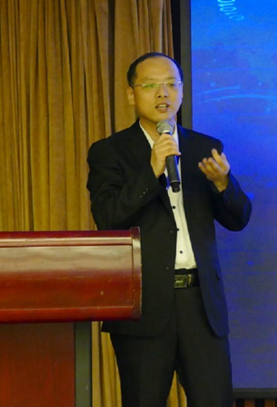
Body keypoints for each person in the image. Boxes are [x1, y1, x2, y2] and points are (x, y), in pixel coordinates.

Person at [86, 52, 252, 406]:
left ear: (182, 91)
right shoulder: (109, 152)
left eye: (171, 84)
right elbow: (108, 218)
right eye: (150, 85)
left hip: (201, 305)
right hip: (144, 305)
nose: (163, 93)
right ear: (131, 94)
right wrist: (151, 170)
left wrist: (224, 184)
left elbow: (238, 220)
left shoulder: (204, 147)